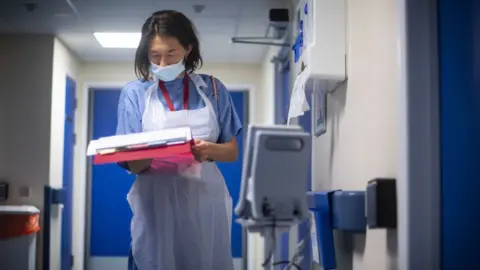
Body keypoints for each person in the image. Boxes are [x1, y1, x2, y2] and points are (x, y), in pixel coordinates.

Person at [116, 10, 242, 270]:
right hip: (155, 205)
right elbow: (132, 164)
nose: (162, 63)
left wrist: (207, 150)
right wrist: (150, 153)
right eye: (155, 56)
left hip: (204, 203)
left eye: (170, 54)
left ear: (188, 49)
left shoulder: (213, 89)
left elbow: (231, 152)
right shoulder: (134, 94)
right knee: (153, 259)